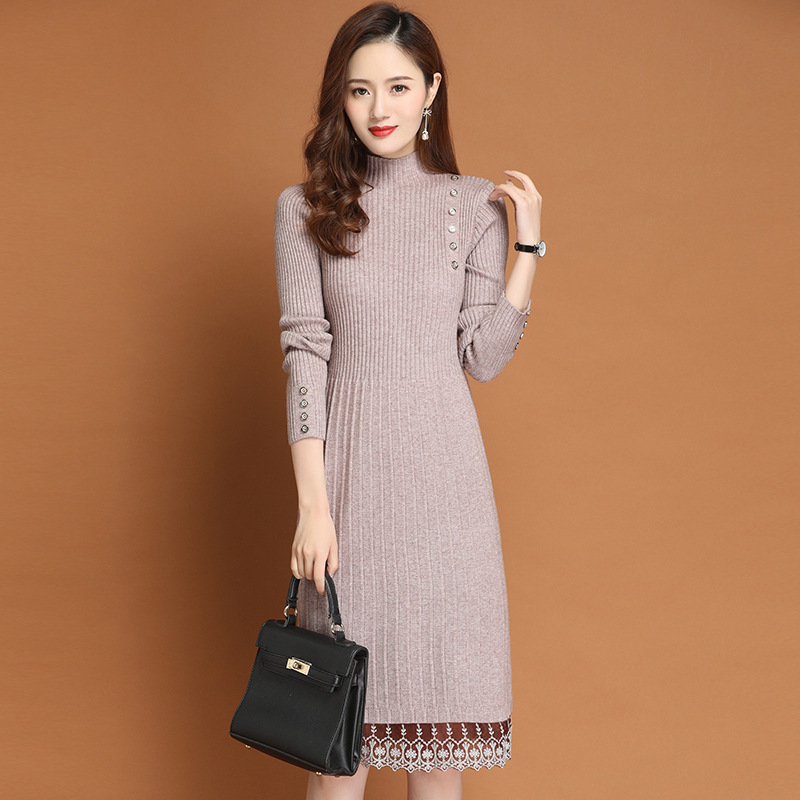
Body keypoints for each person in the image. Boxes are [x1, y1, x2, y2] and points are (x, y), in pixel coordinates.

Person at [273, 2, 544, 798]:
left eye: (397, 87)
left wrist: (528, 249)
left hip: (448, 507)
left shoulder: (473, 207)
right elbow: (305, 357)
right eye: (359, 90)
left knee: (437, 765)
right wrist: (313, 508)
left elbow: (483, 358)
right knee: (338, 762)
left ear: (432, 90)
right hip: (349, 501)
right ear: (341, 97)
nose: (379, 108)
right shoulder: (305, 209)